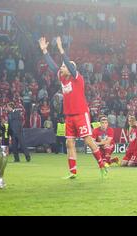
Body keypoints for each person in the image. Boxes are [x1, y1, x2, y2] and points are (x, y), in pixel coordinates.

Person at [39, 36, 108, 179]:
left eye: (64, 66)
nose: (62, 68)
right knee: (69, 142)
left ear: (71, 70)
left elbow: (68, 65)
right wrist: (45, 51)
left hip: (81, 114)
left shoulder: (78, 78)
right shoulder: (62, 77)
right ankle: (73, 172)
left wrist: (60, 49)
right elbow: (53, 67)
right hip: (69, 116)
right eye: (63, 66)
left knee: (88, 141)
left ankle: (102, 165)